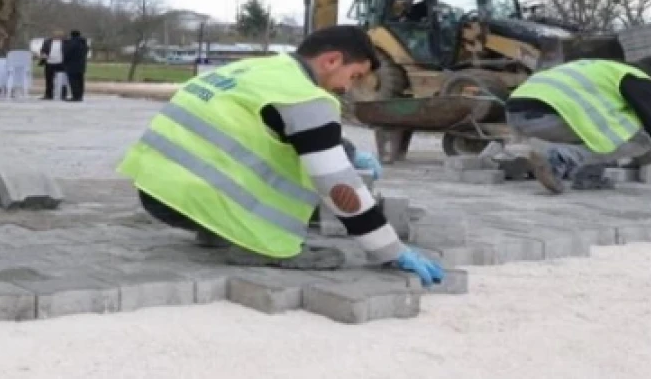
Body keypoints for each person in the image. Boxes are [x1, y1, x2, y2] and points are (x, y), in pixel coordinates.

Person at [116, 25, 446, 287]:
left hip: (157, 191)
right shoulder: (306, 96)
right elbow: (338, 186)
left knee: (294, 155)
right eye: (355, 75)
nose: (349, 87)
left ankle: (217, 228)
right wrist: (390, 249)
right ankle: (261, 246)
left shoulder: (261, 69)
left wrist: (350, 151)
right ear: (331, 61)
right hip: (193, 199)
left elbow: (282, 126)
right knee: (307, 177)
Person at [507, 56, 651, 194]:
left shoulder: (602, 68)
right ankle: (558, 159)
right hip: (550, 115)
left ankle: (587, 175)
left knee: (605, 125)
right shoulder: (638, 78)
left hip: (516, 114)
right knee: (640, 140)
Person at [39, 30, 67, 100]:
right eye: (55, 35)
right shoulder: (47, 42)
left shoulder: (65, 42)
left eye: (59, 35)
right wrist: (43, 55)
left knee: (63, 80)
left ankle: (63, 94)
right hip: (49, 62)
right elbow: (43, 50)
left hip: (61, 63)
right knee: (49, 79)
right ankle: (49, 94)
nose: (57, 36)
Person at [63, 29, 89, 102]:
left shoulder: (71, 43)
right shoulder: (83, 43)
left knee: (73, 82)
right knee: (80, 81)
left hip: (72, 65)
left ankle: (75, 96)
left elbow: (67, 53)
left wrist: (65, 62)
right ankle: (80, 96)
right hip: (81, 65)